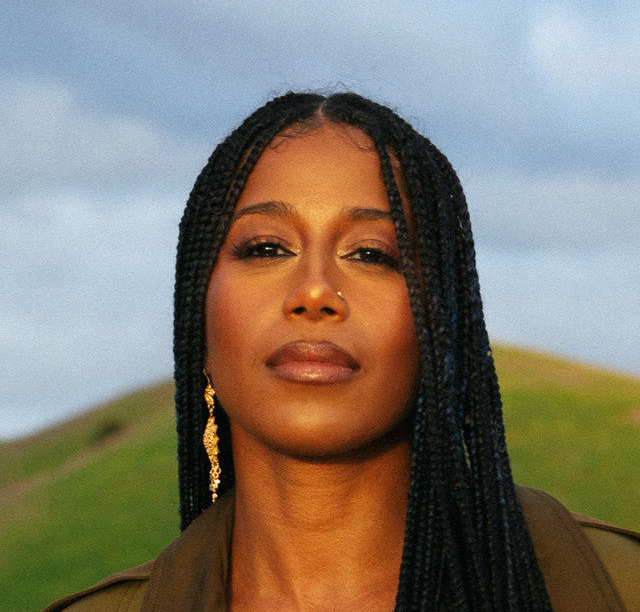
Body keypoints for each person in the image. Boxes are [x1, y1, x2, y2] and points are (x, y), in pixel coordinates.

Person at [43, 92, 640, 612]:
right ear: (199, 306)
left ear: (440, 319)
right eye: (267, 248)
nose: (314, 292)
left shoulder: (615, 585)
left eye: (372, 254)